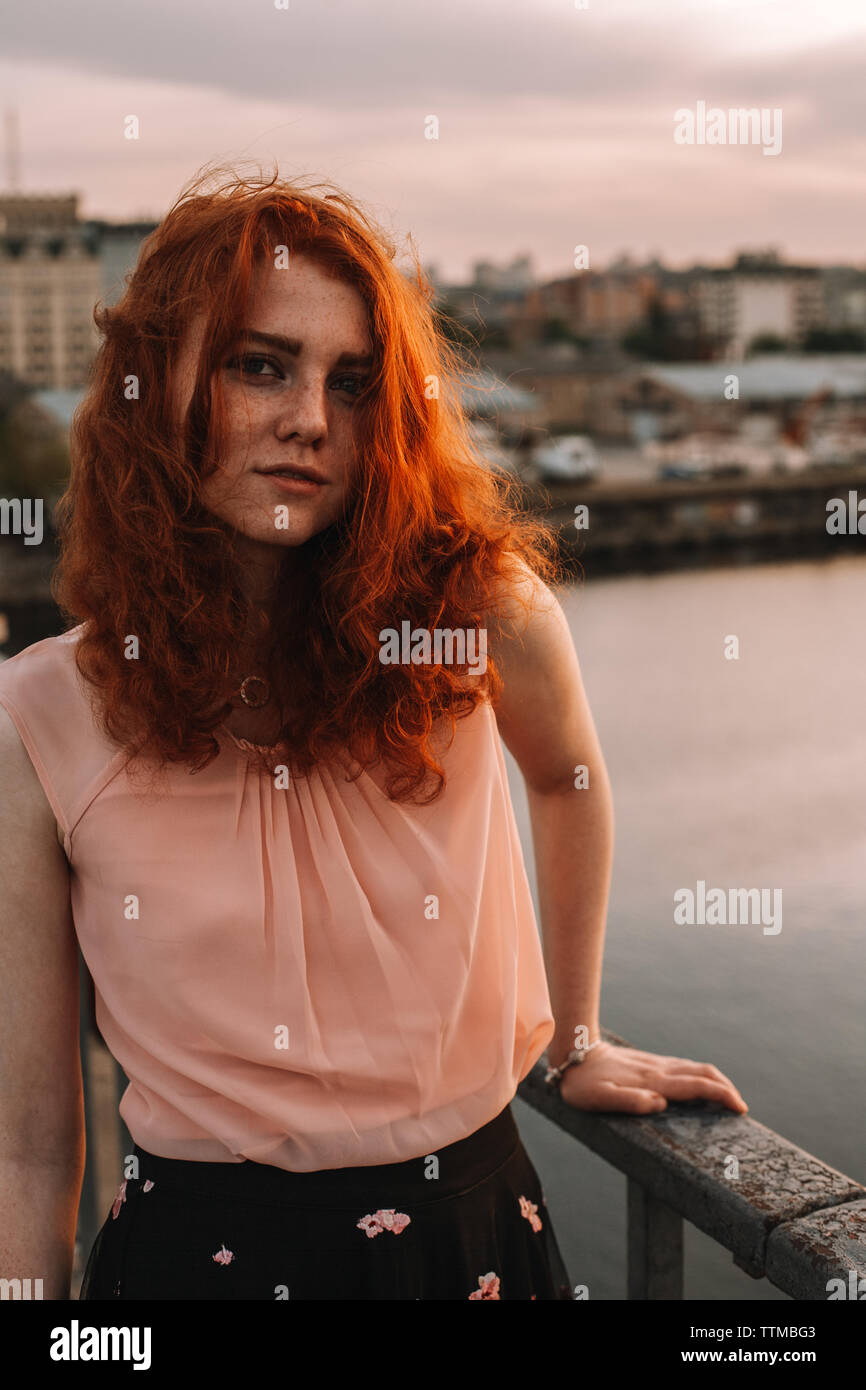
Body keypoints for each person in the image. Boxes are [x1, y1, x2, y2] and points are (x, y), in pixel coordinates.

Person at [0, 165, 747, 1302]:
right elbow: (29, 1147)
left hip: (470, 1245)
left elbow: (569, 776)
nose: (309, 419)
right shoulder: (42, 715)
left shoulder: (472, 620)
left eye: (351, 383)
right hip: (189, 1273)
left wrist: (576, 1035)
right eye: (260, 366)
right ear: (160, 386)